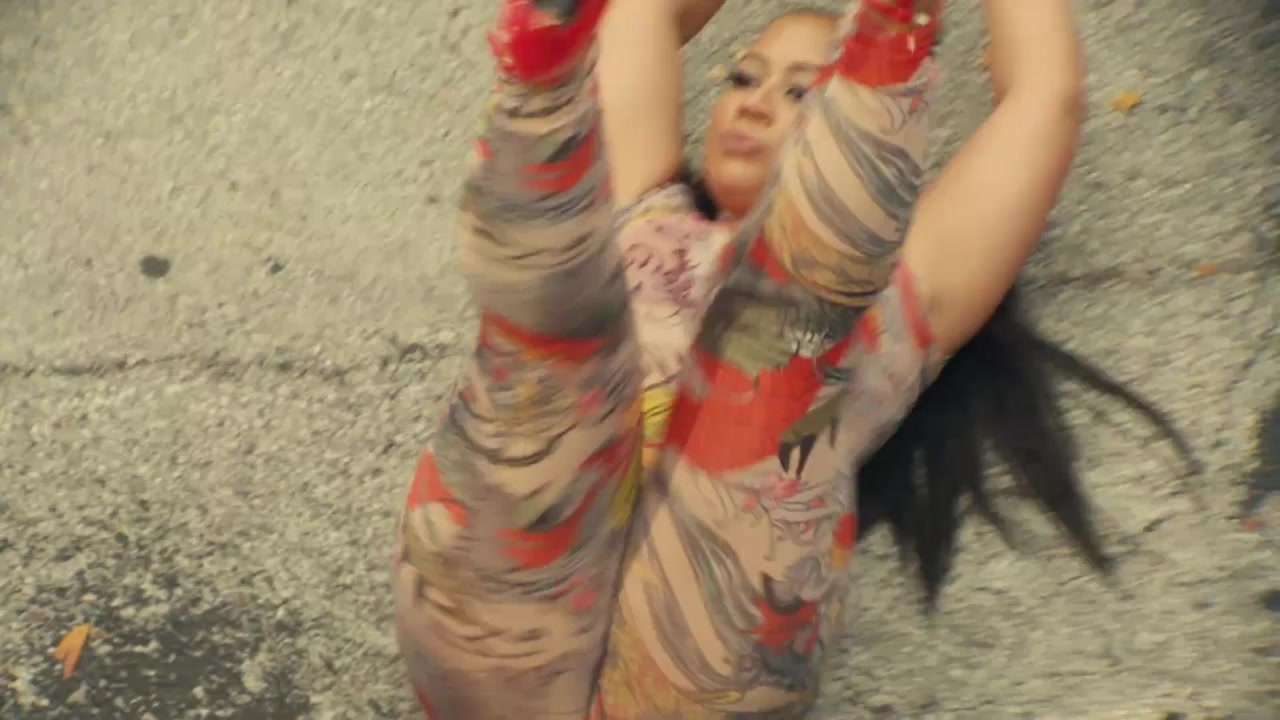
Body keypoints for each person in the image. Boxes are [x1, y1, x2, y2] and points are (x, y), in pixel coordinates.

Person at [392, 1, 1192, 718]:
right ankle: (541, 100)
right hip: (514, 590)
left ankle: (888, 44)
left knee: (781, 344)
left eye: (806, 91)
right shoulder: (646, 212)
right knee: (547, 347)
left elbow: (1044, 97)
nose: (754, 100)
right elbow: (640, 12)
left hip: (706, 628)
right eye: (745, 77)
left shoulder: (910, 294)